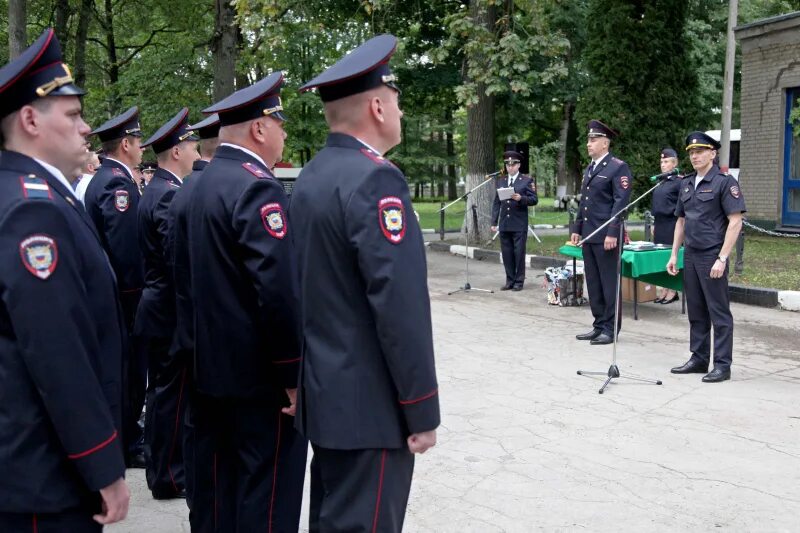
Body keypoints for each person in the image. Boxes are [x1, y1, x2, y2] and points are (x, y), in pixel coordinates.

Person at [293, 34, 441, 532]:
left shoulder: (313, 175)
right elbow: (399, 308)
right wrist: (421, 408)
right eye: (396, 99)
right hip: (371, 409)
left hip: (329, 399)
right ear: (377, 106)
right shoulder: (377, 181)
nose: (400, 111)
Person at [0, 28, 129, 531]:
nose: (86, 128)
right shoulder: (33, 208)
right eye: (73, 116)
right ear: (30, 119)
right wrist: (102, 462)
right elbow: (58, 349)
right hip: (43, 475)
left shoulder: (27, 193)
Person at [187, 72, 307, 531]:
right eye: (280, 123)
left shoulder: (200, 186)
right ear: (259, 127)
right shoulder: (256, 186)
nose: (284, 133)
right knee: (268, 491)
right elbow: (276, 292)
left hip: (209, 371)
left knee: (223, 491)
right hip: (259, 383)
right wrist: (293, 375)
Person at [137, 108, 199, 500]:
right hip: (168, 312)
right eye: (192, 144)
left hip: (157, 308)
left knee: (161, 395)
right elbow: (177, 259)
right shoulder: (168, 195)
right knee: (170, 399)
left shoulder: (157, 189)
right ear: (176, 151)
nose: (196, 152)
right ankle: (168, 476)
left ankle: (162, 469)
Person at [84, 106, 147, 469]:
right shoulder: (116, 183)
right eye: (138, 141)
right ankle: (126, 441)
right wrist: (134, 300)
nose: (141, 149)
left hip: (111, 298)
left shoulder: (104, 179)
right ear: (125, 144)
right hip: (122, 300)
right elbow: (125, 250)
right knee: (128, 375)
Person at [165, 112, 220, 514]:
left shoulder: (186, 190)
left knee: (195, 429)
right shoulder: (216, 192)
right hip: (209, 340)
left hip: (189, 332)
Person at [667, 131, 745, 383]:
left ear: (712, 153)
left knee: (718, 312)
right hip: (690, 254)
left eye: (700, 151)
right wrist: (674, 254)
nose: (695, 156)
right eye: (691, 152)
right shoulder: (687, 183)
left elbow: (735, 223)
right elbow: (681, 221)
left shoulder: (725, 183)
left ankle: (722, 365)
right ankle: (699, 358)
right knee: (697, 310)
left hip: (712, 255)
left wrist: (722, 258)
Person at [570, 119, 633, 345]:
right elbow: (585, 202)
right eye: (588, 139)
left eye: (594, 139)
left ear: (605, 143)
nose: (589, 143)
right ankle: (598, 325)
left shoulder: (618, 167)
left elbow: (621, 203)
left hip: (606, 236)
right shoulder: (590, 168)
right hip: (589, 234)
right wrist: (577, 229)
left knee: (608, 284)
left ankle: (610, 328)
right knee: (594, 283)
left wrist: (612, 233)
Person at [490, 149, 538, 291]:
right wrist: (494, 222)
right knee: (507, 254)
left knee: (518, 253)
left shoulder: (526, 180)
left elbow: (534, 199)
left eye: (513, 164)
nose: (510, 167)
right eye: (507, 165)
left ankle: (519, 281)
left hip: (519, 223)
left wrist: (521, 198)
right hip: (505, 223)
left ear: (518, 165)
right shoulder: (501, 180)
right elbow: (497, 202)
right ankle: (509, 280)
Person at [651, 147, 682, 304]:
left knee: (670, 256)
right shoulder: (660, 181)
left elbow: (680, 206)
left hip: (672, 224)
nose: (663, 165)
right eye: (661, 162)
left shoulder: (678, 182)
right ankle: (664, 289)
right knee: (661, 258)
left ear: (674, 163)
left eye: (666, 161)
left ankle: (673, 291)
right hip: (660, 223)